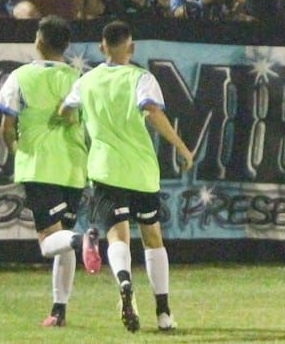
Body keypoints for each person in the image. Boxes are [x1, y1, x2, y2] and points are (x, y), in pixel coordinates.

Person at [60, 21, 194, 333]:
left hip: (106, 169)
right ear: (130, 48)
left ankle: (124, 284)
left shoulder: (87, 81)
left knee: (117, 237)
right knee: (152, 238)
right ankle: (163, 312)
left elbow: (66, 112)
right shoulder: (141, 77)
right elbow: (152, 112)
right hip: (141, 171)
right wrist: (182, 148)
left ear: (101, 47)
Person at [0, 15, 94, 328]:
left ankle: (83, 240)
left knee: (50, 240)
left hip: (39, 165)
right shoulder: (80, 78)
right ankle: (59, 310)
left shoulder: (20, 77)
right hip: (74, 167)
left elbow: (6, 127)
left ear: (38, 41)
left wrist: (17, 151)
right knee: (61, 239)